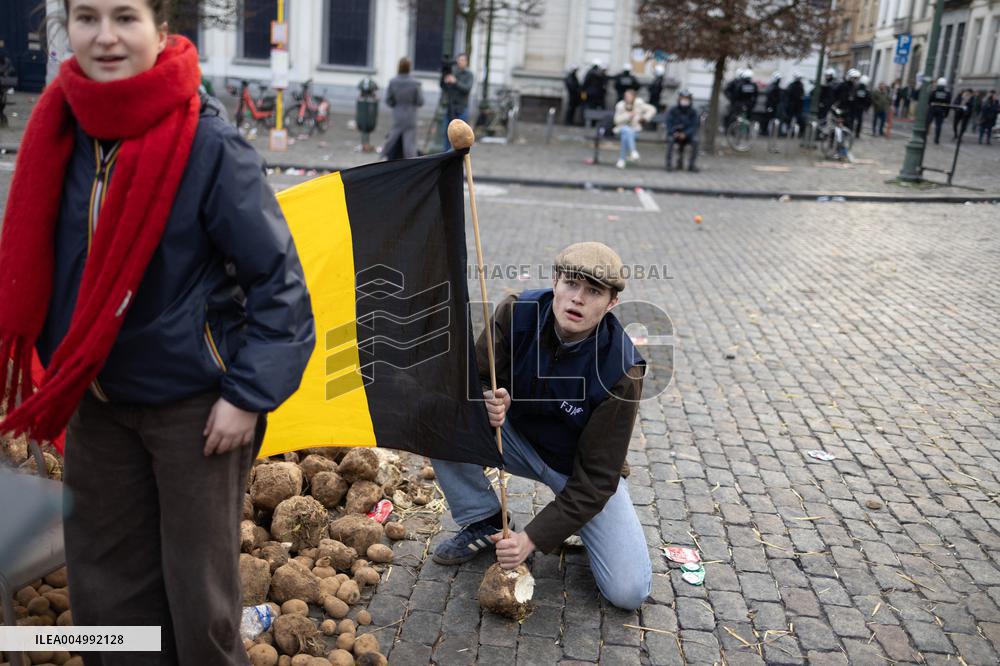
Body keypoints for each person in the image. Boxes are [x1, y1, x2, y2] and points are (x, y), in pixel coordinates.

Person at [0, 1, 315, 664]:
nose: (105, 36)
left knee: (198, 600)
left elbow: (279, 286)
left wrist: (246, 395)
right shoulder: (59, 128)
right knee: (105, 592)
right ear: (66, 25)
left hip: (193, 412)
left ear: (162, 29)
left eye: (125, 16)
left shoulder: (208, 144)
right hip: (95, 402)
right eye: (86, 17)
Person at [429, 242, 652, 612]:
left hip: (574, 471)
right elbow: (473, 380)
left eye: (593, 291)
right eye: (571, 284)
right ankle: (483, 520)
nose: (577, 299)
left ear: (611, 303)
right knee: (438, 414)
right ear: (555, 282)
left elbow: (597, 479)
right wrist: (484, 399)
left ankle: (576, 525)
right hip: (513, 440)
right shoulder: (516, 311)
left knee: (628, 593)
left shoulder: (623, 369)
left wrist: (531, 538)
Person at [382, 57, 424, 160]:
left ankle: (386, 154)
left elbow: (388, 100)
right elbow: (420, 101)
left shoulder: (393, 82)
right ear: (409, 68)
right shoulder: (415, 83)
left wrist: (395, 105)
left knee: (393, 137)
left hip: (398, 113)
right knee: (409, 142)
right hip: (410, 114)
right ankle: (411, 160)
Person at [611, 88, 656, 169]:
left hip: (635, 131)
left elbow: (652, 109)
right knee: (626, 130)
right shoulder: (620, 105)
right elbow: (616, 120)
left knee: (626, 136)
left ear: (634, 97)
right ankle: (633, 151)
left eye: (629, 96)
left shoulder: (639, 104)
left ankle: (622, 159)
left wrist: (644, 118)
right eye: (626, 96)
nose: (627, 98)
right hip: (620, 130)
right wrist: (628, 115)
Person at [441, 53, 474, 151]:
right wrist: (444, 79)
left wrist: (455, 82)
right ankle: (446, 154)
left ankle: (459, 155)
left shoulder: (469, 74)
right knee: (447, 133)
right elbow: (444, 87)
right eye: (459, 60)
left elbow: (467, 88)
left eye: (463, 60)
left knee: (461, 136)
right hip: (451, 107)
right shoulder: (453, 72)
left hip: (462, 108)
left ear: (466, 62)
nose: (461, 62)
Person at [666, 89, 700, 172]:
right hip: (675, 134)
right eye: (683, 98)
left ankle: (691, 165)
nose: (685, 100)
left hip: (687, 135)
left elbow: (694, 125)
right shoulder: (673, 110)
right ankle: (668, 164)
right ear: (679, 99)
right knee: (670, 140)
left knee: (695, 141)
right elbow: (669, 123)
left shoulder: (693, 112)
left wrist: (685, 134)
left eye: (687, 98)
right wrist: (674, 132)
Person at [930, 77, 951, 144]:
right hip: (941, 110)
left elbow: (930, 100)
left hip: (933, 109)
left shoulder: (934, 92)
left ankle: (923, 136)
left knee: (927, 123)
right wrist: (946, 113)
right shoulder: (947, 93)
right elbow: (948, 104)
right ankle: (936, 139)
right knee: (938, 126)